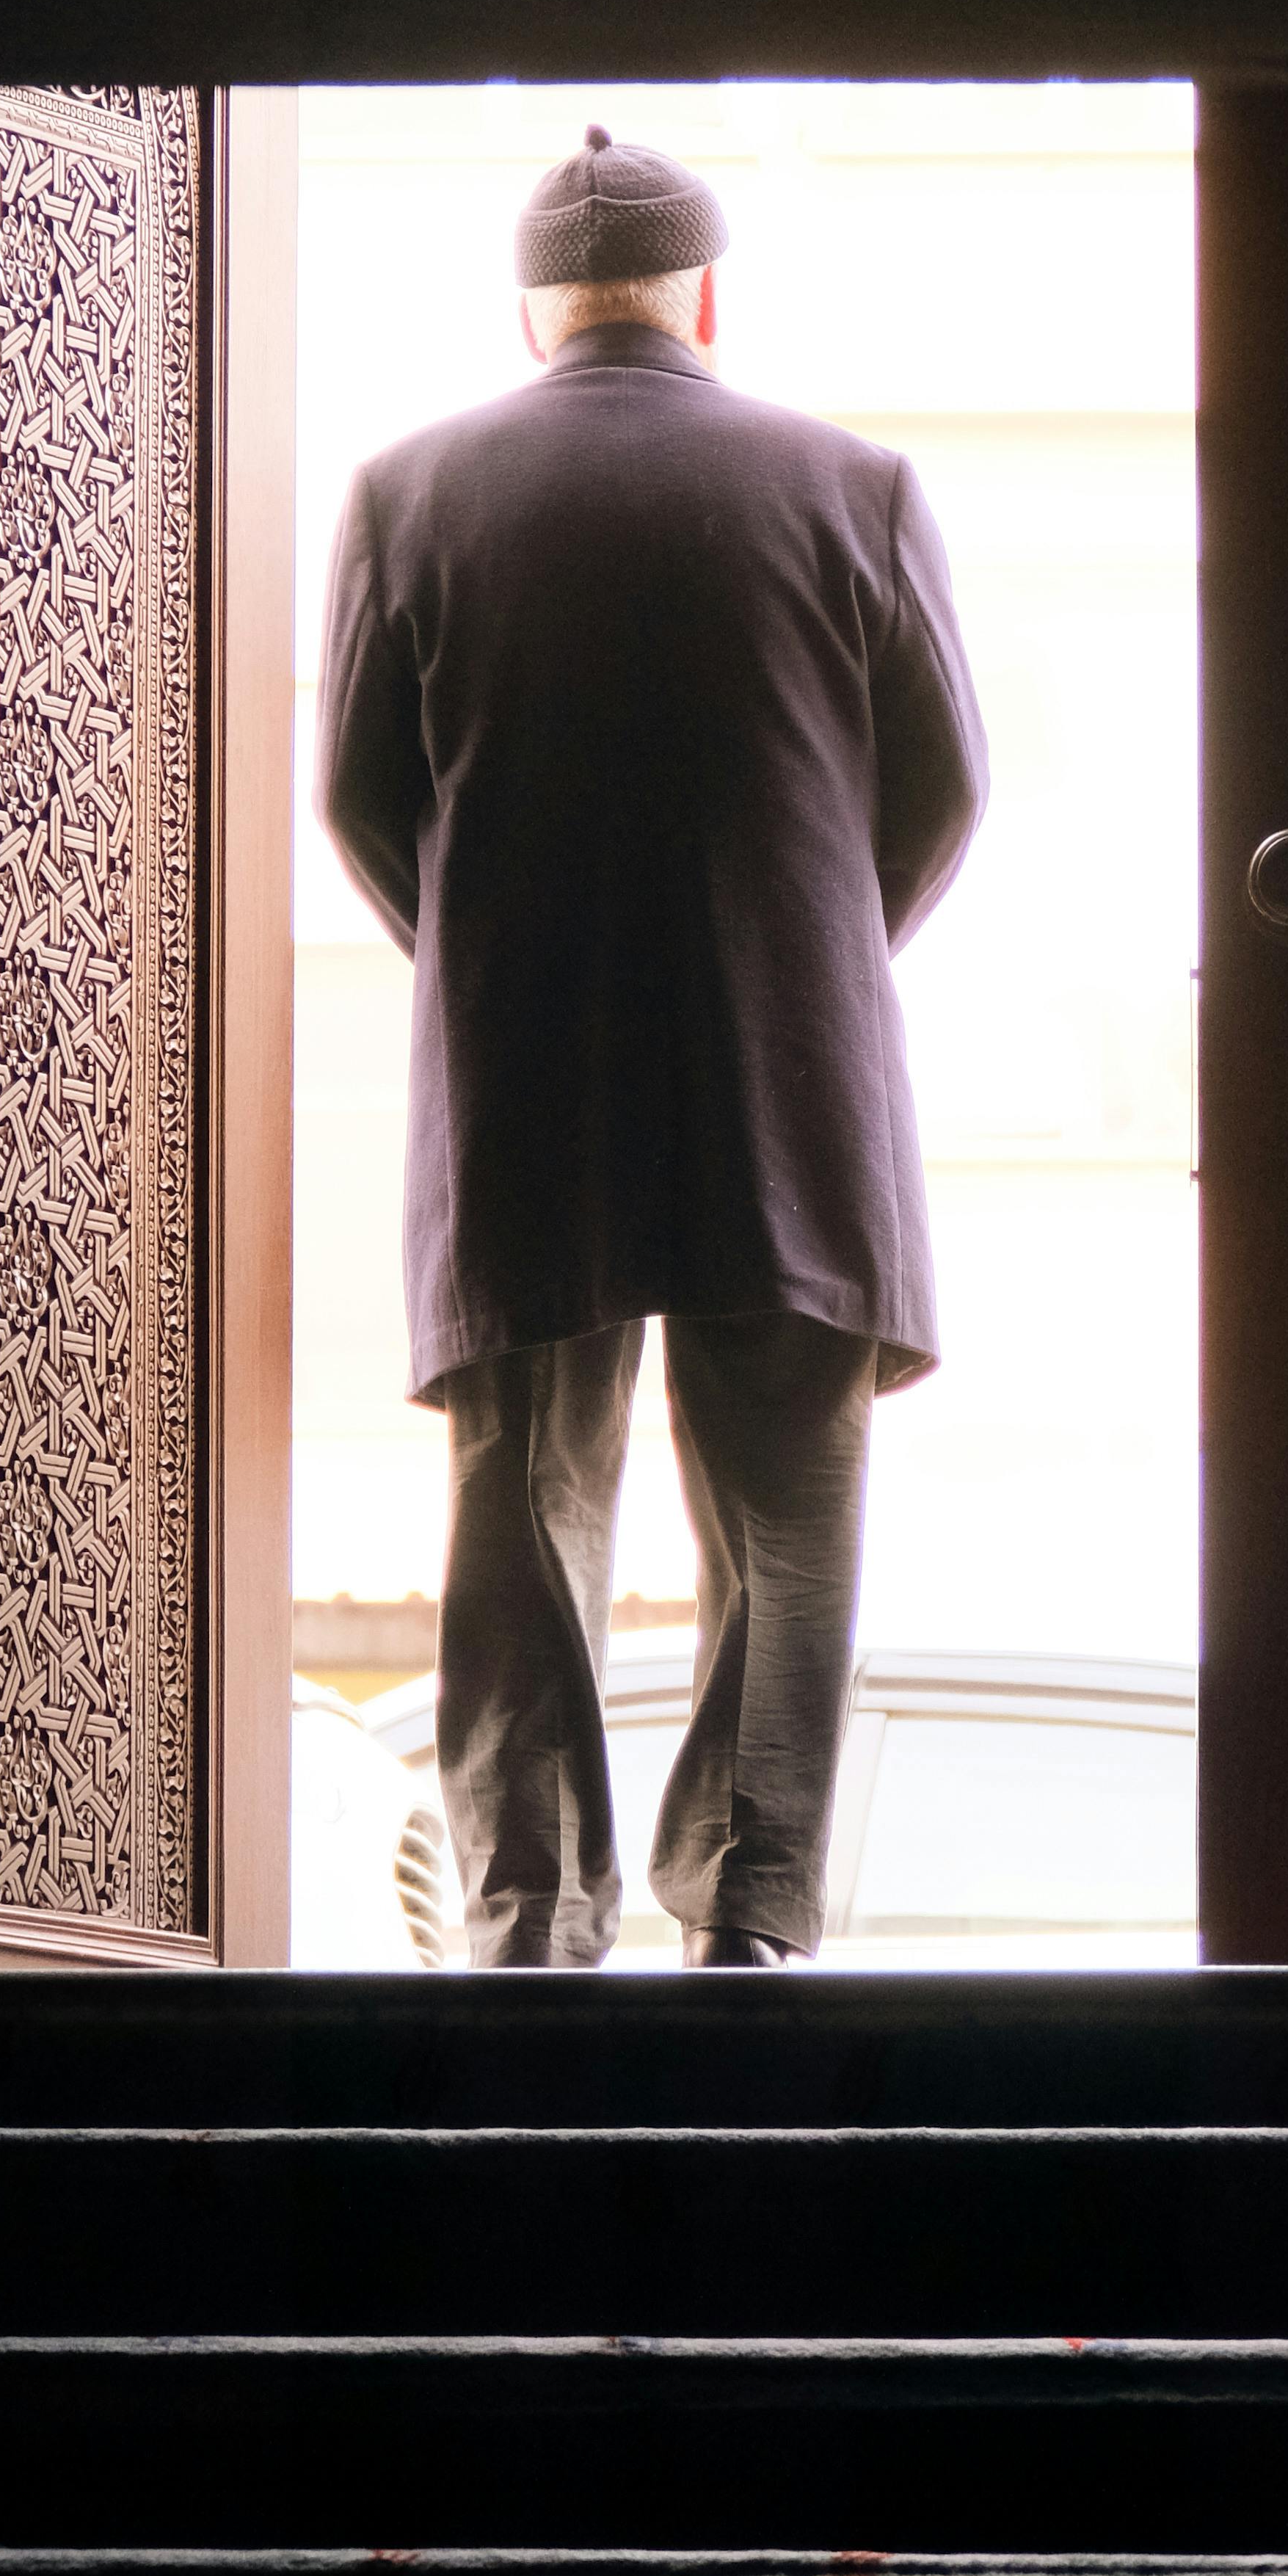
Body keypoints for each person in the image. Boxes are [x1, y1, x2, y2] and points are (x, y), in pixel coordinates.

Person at [316, 126, 989, 1967]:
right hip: (796, 1078)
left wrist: (490, 960)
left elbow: (363, 802)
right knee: (789, 1504)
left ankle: (531, 1920)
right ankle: (752, 1912)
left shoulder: (404, 493)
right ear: (707, 299)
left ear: (530, 316)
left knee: (522, 1503)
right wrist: (814, 962)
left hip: (529, 1079)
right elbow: (941, 790)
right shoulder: (856, 485)